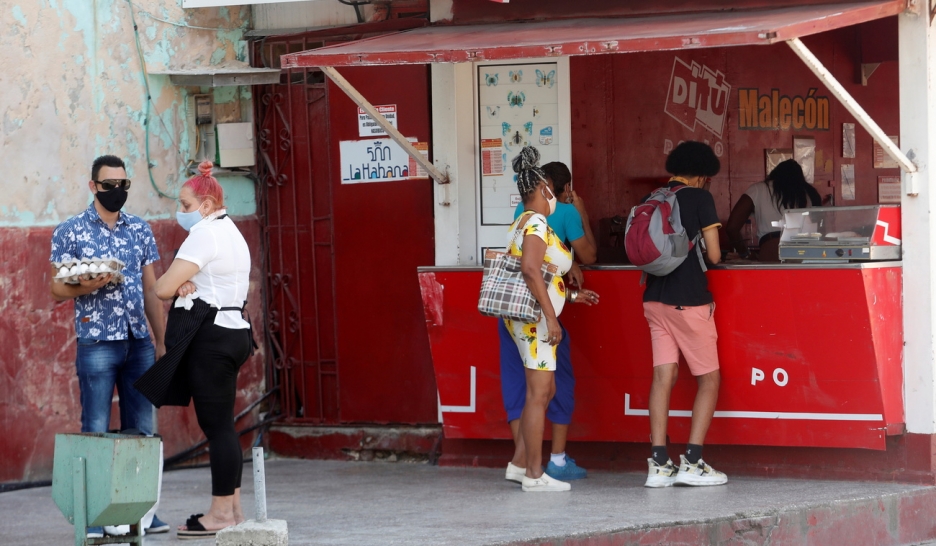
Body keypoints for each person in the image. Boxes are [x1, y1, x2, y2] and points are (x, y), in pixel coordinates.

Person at [49, 154, 169, 537]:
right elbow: (55, 288)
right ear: (93, 187)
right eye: (108, 185)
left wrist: (162, 340)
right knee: (96, 428)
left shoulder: (139, 229)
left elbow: (152, 289)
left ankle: (142, 513)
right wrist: (90, 284)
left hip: (139, 342)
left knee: (143, 431)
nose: (116, 191)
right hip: (97, 340)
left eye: (123, 185)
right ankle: (95, 517)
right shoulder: (70, 231)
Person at [150, 161, 252, 538]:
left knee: (218, 427)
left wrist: (177, 284)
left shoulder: (204, 235)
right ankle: (234, 509)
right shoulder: (232, 232)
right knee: (223, 425)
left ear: (207, 205)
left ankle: (221, 513)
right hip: (234, 331)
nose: (181, 211)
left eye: (186, 204)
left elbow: (161, 288)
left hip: (211, 339)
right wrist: (185, 283)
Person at [502, 147, 599, 493]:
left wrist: (572, 296)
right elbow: (530, 270)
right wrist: (551, 318)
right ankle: (533, 473)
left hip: (526, 318)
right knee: (540, 393)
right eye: (549, 190)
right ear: (543, 190)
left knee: (543, 390)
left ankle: (518, 464)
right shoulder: (538, 222)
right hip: (535, 322)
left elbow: (541, 274)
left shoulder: (521, 222)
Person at [641, 141, 727, 488]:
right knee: (708, 379)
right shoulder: (700, 199)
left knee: (664, 378)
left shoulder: (654, 197)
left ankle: (659, 464)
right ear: (704, 176)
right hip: (688, 301)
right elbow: (717, 256)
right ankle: (692, 461)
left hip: (654, 300)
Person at [726, 159, 822, 262]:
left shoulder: (759, 189)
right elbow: (821, 228)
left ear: (775, 174)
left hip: (772, 249)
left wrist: (745, 253)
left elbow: (732, 227)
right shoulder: (810, 193)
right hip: (805, 251)